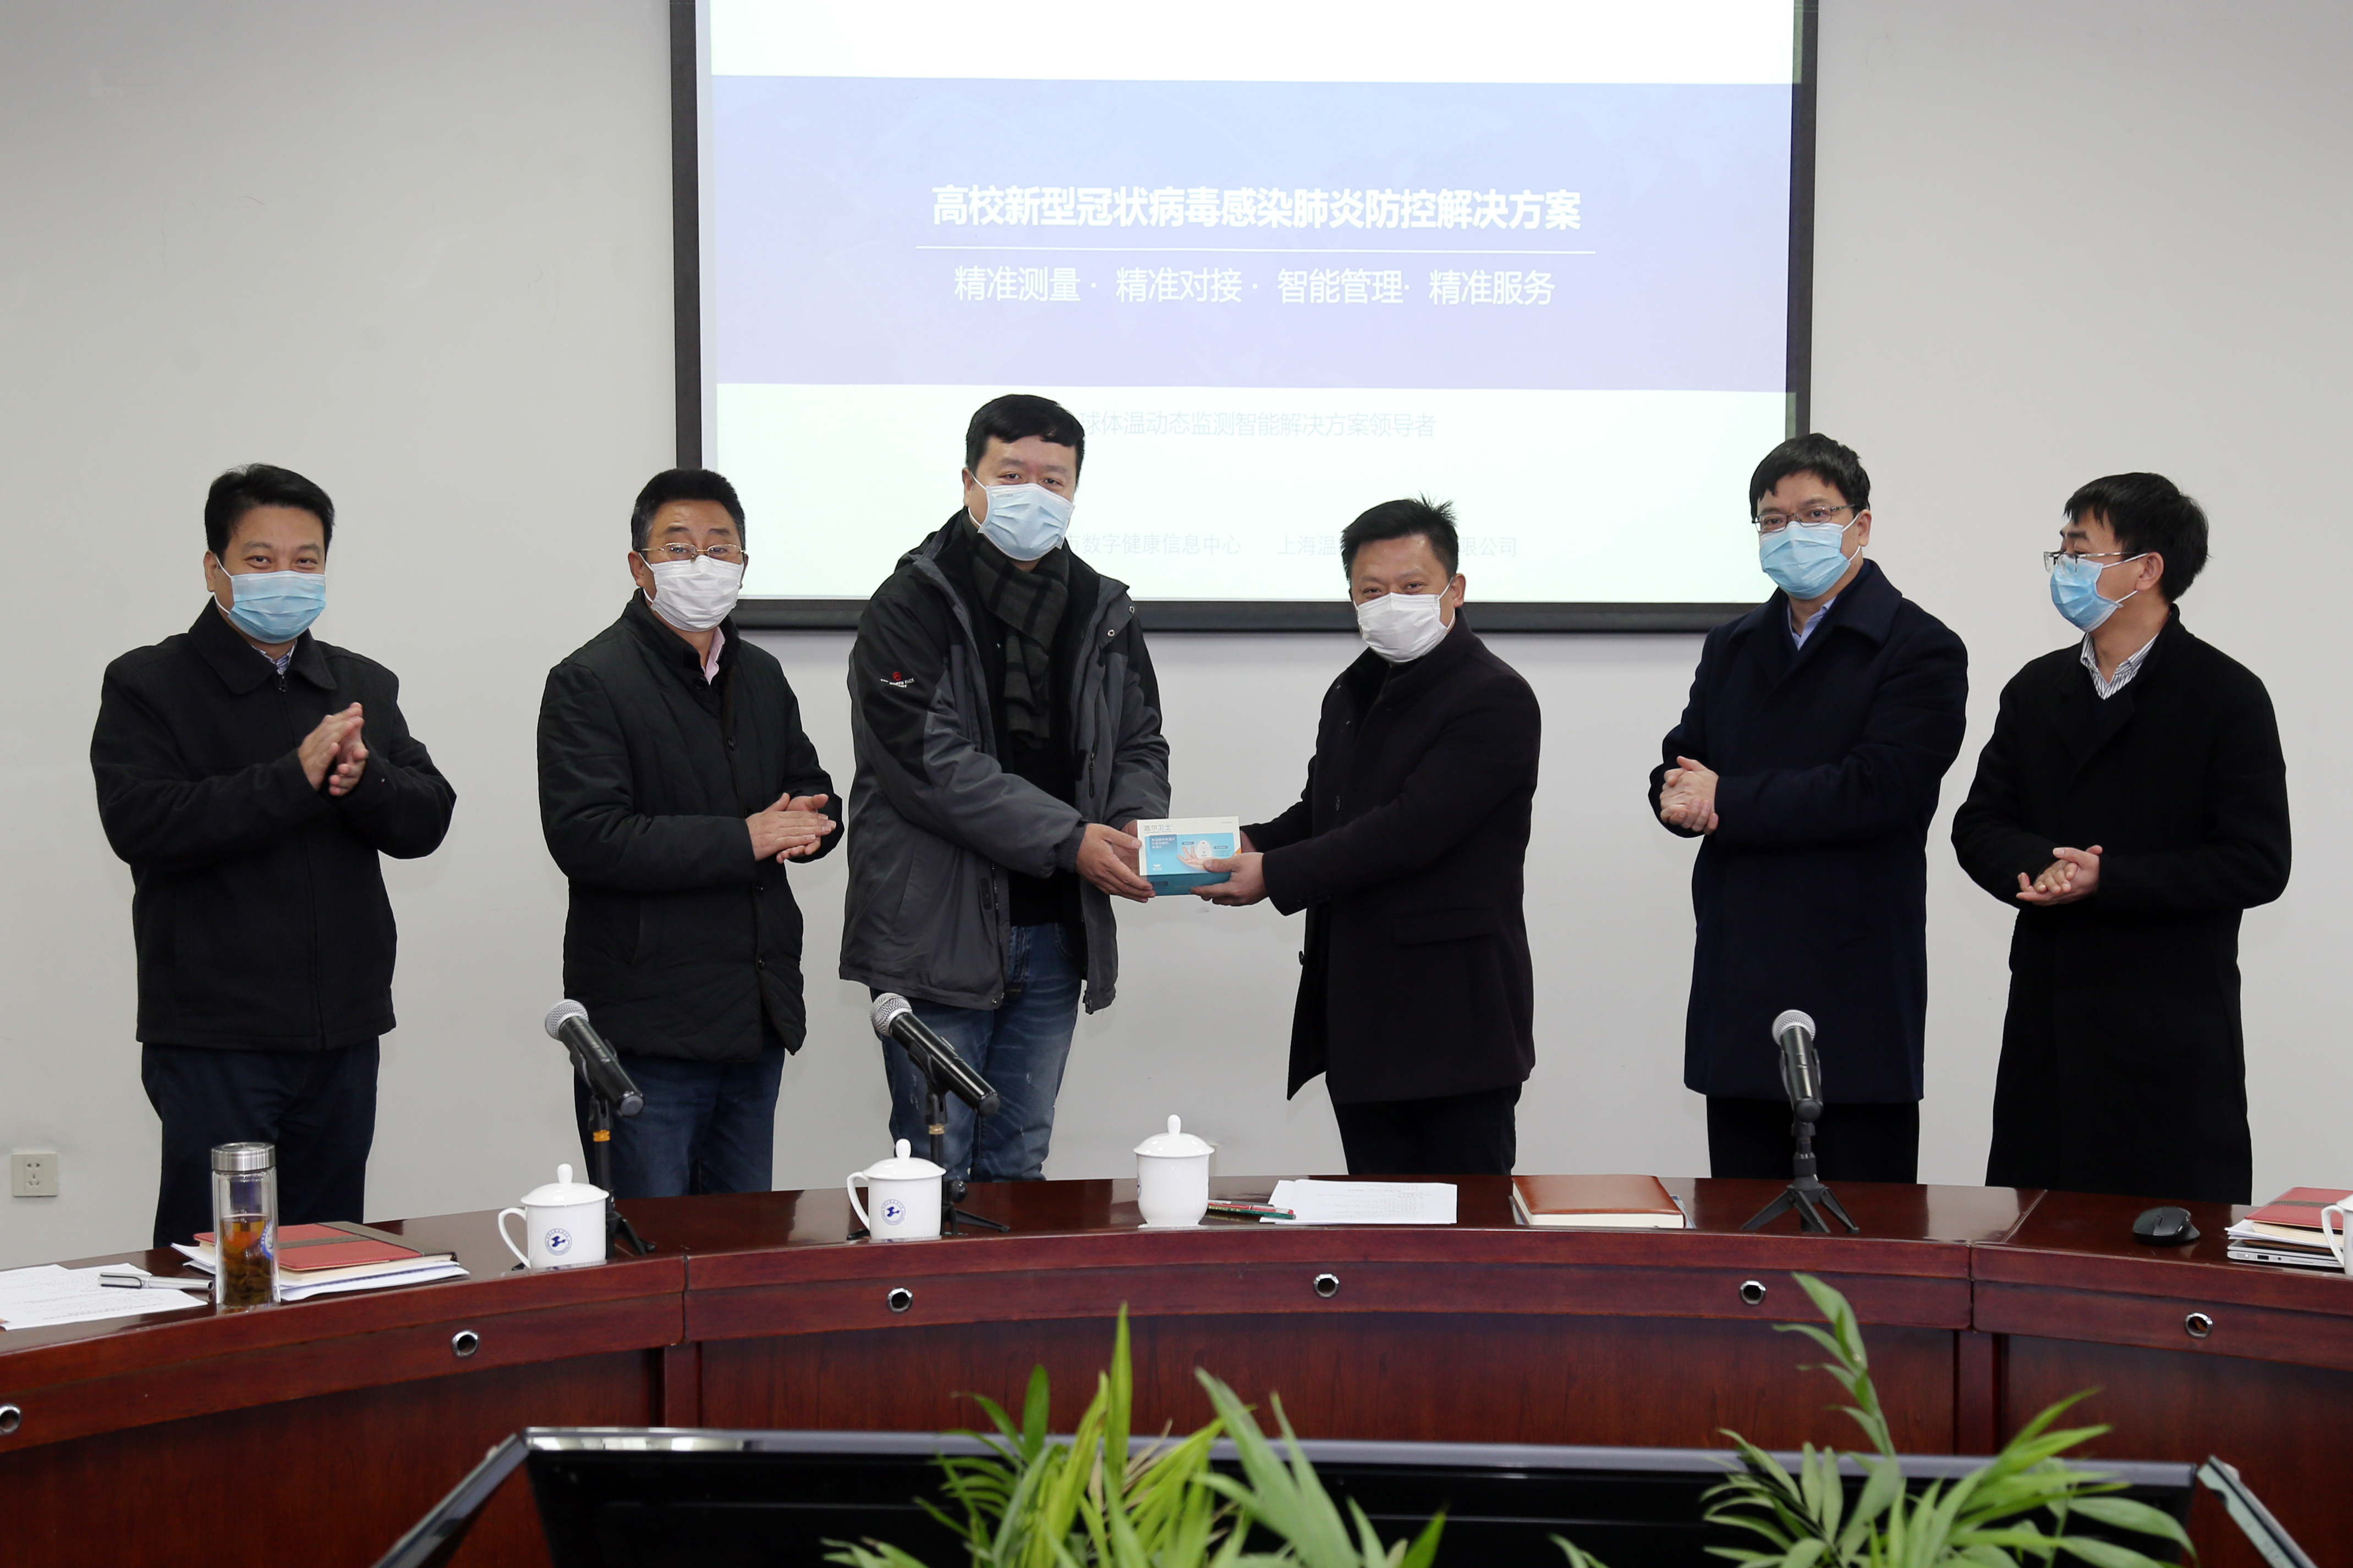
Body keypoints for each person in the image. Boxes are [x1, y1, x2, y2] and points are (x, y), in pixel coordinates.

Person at [92, 464, 456, 1247]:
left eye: (305, 560)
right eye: (260, 560)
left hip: (343, 1032)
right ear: (214, 568)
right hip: (215, 1039)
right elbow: (142, 823)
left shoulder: (360, 683)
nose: (285, 577)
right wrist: (293, 777)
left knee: (325, 1257)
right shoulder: (148, 683)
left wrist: (363, 780)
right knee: (218, 1263)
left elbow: (428, 817)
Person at [840, 394, 1168, 1184]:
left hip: (1056, 931)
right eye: (1012, 474)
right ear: (969, 482)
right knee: (933, 1170)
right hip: (935, 933)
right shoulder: (908, 604)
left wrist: (1133, 825)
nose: (1033, 494)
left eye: (1053, 480)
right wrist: (1069, 838)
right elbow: (929, 764)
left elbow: (1138, 740)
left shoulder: (1104, 607)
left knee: (1019, 1165)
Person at [1952, 473, 2288, 1204]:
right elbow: (1977, 823)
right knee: (2035, 1237)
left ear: (2146, 569)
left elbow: (2256, 861)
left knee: (2168, 1248)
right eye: (2061, 551)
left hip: (2169, 1038)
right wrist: (2040, 866)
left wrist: (2111, 879)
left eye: (2080, 551)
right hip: (2049, 1025)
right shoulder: (2035, 688)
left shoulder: (2226, 695)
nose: (2064, 568)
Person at [1649, 434, 1967, 1183]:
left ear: (1860, 525)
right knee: (1741, 1220)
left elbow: (1879, 787)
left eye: (1814, 513)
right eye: (1772, 519)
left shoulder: (1918, 646)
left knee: (1862, 1224)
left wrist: (1726, 797)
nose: (1790, 533)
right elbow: (1685, 757)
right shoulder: (1732, 645)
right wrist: (1672, 793)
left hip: (1852, 970)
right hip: (1742, 961)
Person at [1196, 497, 1539, 1175]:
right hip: (1360, 1016)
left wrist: (1274, 875)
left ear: (1454, 589)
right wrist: (1242, 844)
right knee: (1374, 1222)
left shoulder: (1493, 696)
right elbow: (1325, 811)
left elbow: (1409, 829)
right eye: (1371, 590)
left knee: (1463, 1225)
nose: (1390, 604)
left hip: (1453, 1023)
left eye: (1411, 586)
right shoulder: (1352, 690)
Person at [537, 467, 838, 1198]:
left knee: (744, 1246)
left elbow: (811, 787)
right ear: (639, 566)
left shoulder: (761, 675)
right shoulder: (590, 679)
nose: (703, 563)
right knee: (651, 1247)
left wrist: (814, 823)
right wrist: (748, 838)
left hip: (754, 1015)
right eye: (678, 547)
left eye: (720, 547)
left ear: (743, 563)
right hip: (647, 1033)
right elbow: (588, 836)